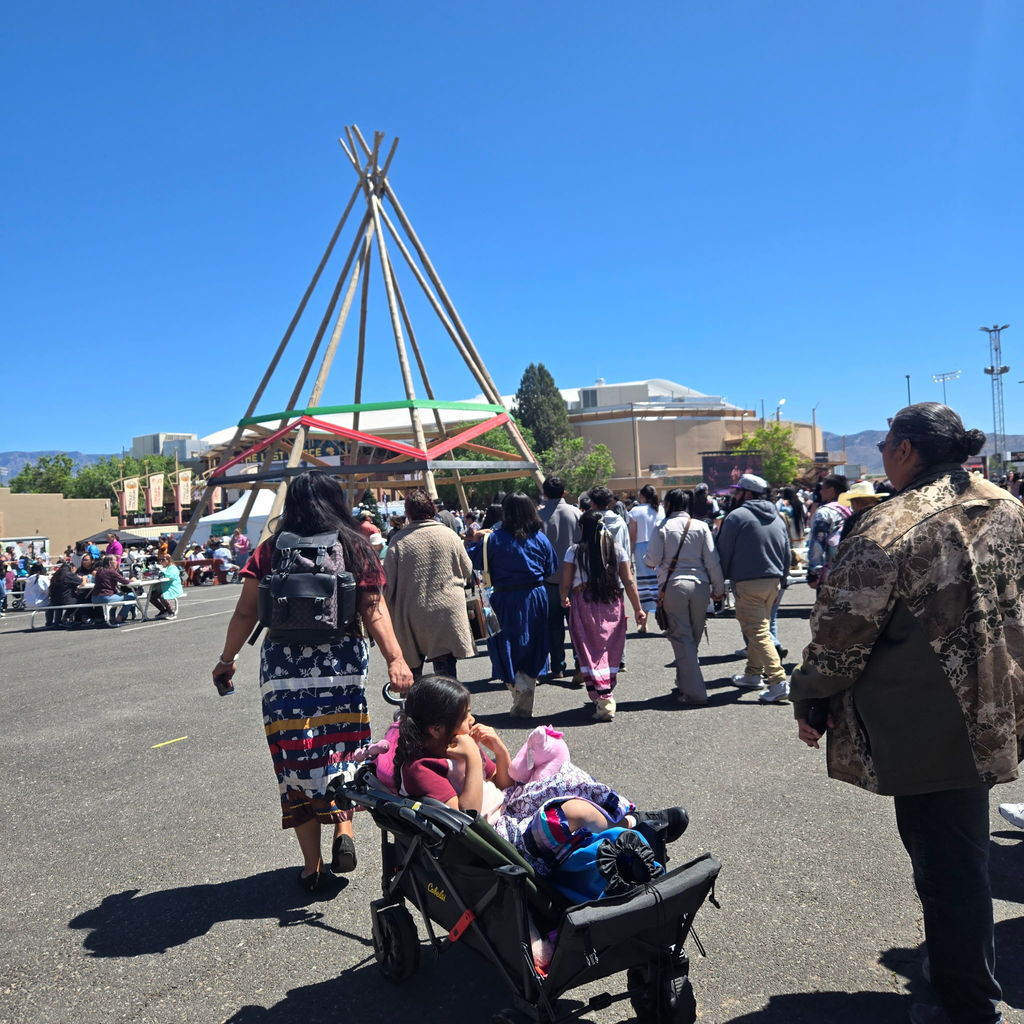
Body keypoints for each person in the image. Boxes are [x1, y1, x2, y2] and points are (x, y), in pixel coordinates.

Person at [791, 403, 1022, 1024]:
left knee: (948, 866)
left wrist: (808, 694)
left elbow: (840, 635)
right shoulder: (1009, 508)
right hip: (998, 707)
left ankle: (968, 1002)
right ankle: (957, 971)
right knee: (958, 858)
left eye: (888, 443)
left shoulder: (889, 526)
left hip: (926, 723)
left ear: (905, 451)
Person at [213, 471, 412, 894]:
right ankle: (344, 831)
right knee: (343, 747)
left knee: (295, 758)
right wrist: (397, 660)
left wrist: (226, 660)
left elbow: (246, 613)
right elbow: (374, 611)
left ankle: (311, 866)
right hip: (341, 663)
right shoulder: (356, 547)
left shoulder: (269, 550)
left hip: (283, 670)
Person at [393, 676, 686, 885]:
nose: (472, 720)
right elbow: (465, 822)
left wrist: (498, 749)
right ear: (435, 728)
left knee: (566, 779)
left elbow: (503, 784)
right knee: (569, 812)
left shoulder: (456, 743)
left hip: (509, 807)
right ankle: (632, 833)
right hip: (493, 839)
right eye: (465, 715)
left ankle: (629, 816)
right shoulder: (422, 768)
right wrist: (471, 757)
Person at [469, 493, 558, 718]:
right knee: (534, 642)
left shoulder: (494, 539)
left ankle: (517, 687)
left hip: (504, 597)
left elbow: (472, 560)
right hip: (536, 595)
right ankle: (526, 683)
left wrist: (474, 539)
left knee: (505, 644)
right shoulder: (540, 538)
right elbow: (550, 568)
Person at [560, 510, 646, 721]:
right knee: (610, 648)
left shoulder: (574, 551)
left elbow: (566, 581)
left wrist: (563, 597)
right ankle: (606, 692)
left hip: (584, 602)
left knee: (590, 650)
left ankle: (602, 696)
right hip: (611, 602)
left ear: (582, 528)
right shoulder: (617, 550)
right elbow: (628, 581)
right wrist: (638, 608)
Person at [383, 489, 476, 680]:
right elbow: (467, 570)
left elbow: (388, 585)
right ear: (432, 509)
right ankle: (449, 708)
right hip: (447, 610)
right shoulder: (449, 535)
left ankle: (416, 707)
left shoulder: (398, 541)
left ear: (407, 513)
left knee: (412, 672)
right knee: (446, 673)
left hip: (411, 613)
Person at [715, 473, 792, 703]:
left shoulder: (736, 516)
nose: (734, 495)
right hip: (774, 581)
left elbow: (723, 550)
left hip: (748, 582)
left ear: (747, 493)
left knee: (757, 631)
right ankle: (752, 674)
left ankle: (778, 681)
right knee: (760, 628)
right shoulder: (777, 516)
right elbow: (786, 551)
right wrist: (784, 579)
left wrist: (721, 580)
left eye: (737, 491)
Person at [537, 477, 582, 681]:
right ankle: (581, 663)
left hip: (549, 579)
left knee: (553, 625)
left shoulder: (538, 516)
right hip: (574, 578)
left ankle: (557, 667)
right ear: (564, 492)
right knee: (577, 625)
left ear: (545, 493)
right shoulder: (576, 513)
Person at [627, 485, 663, 632]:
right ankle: (665, 622)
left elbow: (632, 536)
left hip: (642, 548)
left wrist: (629, 554)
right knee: (661, 583)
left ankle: (643, 622)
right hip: (660, 546)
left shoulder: (635, 511)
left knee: (645, 585)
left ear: (642, 496)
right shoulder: (661, 509)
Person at [805, 474, 850, 591]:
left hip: (830, 573)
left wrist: (814, 571)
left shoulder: (825, 512)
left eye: (823, 488)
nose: (820, 492)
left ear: (831, 490)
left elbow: (817, 543)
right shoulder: (852, 508)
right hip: (851, 569)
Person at [89, 554, 136, 627]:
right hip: (106, 597)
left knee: (117, 595)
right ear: (110, 563)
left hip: (95, 598)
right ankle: (120, 617)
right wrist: (132, 580)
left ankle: (112, 618)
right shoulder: (111, 571)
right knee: (132, 596)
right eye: (115, 561)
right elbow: (124, 581)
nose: (117, 562)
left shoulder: (99, 571)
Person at [48, 561, 84, 627]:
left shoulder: (56, 574)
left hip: (54, 600)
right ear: (72, 568)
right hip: (65, 600)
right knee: (82, 598)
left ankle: (60, 620)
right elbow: (82, 583)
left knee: (72, 598)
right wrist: (84, 577)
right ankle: (78, 620)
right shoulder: (68, 574)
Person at [150, 553, 183, 620]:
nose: (161, 562)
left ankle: (171, 612)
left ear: (168, 560)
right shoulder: (166, 568)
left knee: (163, 596)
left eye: (162, 560)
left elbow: (171, 576)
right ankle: (163, 611)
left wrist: (162, 571)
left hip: (173, 587)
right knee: (151, 596)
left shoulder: (173, 568)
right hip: (165, 587)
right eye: (160, 560)